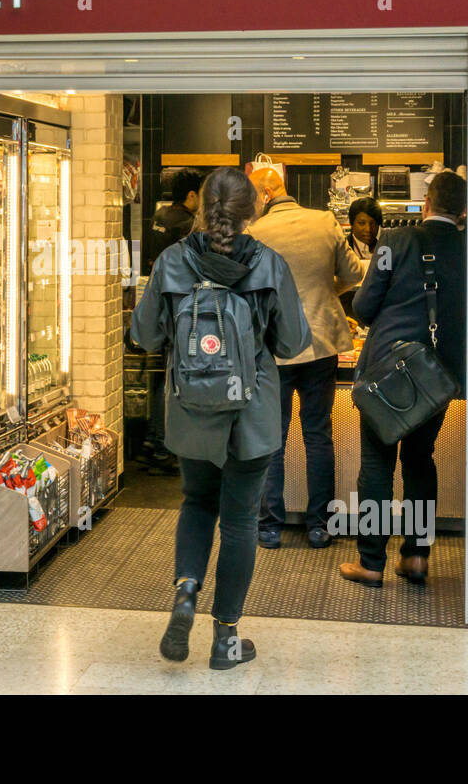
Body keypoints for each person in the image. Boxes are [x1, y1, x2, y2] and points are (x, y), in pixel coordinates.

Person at [131, 167, 310, 670]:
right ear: (252, 210)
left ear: (201, 206)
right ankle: (226, 638)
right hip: (251, 415)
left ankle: (186, 592)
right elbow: (294, 343)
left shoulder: (171, 262)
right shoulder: (269, 265)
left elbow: (143, 336)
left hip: (191, 413)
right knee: (239, 523)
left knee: (196, 501)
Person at [339, 171, 467, 588]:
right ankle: (415, 556)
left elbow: (363, 306)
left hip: (388, 372)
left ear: (426, 203)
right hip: (438, 375)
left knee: (377, 463)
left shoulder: (396, 242)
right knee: (420, 460)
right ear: (462, 211)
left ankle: (371, 562)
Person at [247, 169, 365, 550]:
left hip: (274, 349)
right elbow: (353, 273)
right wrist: (328, 291)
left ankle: (269, 527)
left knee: (272, 439)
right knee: (318, 436)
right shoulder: (324, 221)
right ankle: (320, 526)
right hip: (320, 343)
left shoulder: (255, 233)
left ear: (265, 194)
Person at [141, 167, 206, 471]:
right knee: (177, 376)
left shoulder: (161, 216)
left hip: (159, 303)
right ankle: (164, 444)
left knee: (163, 372)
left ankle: (156, 439)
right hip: (181, 306)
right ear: (192, 195)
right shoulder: (187, 224)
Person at [345, 196, 383, 261]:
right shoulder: (343, 249)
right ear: (352, 223)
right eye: (362, 223)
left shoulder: (386, 248)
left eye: (373, 224)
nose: (368, 229)